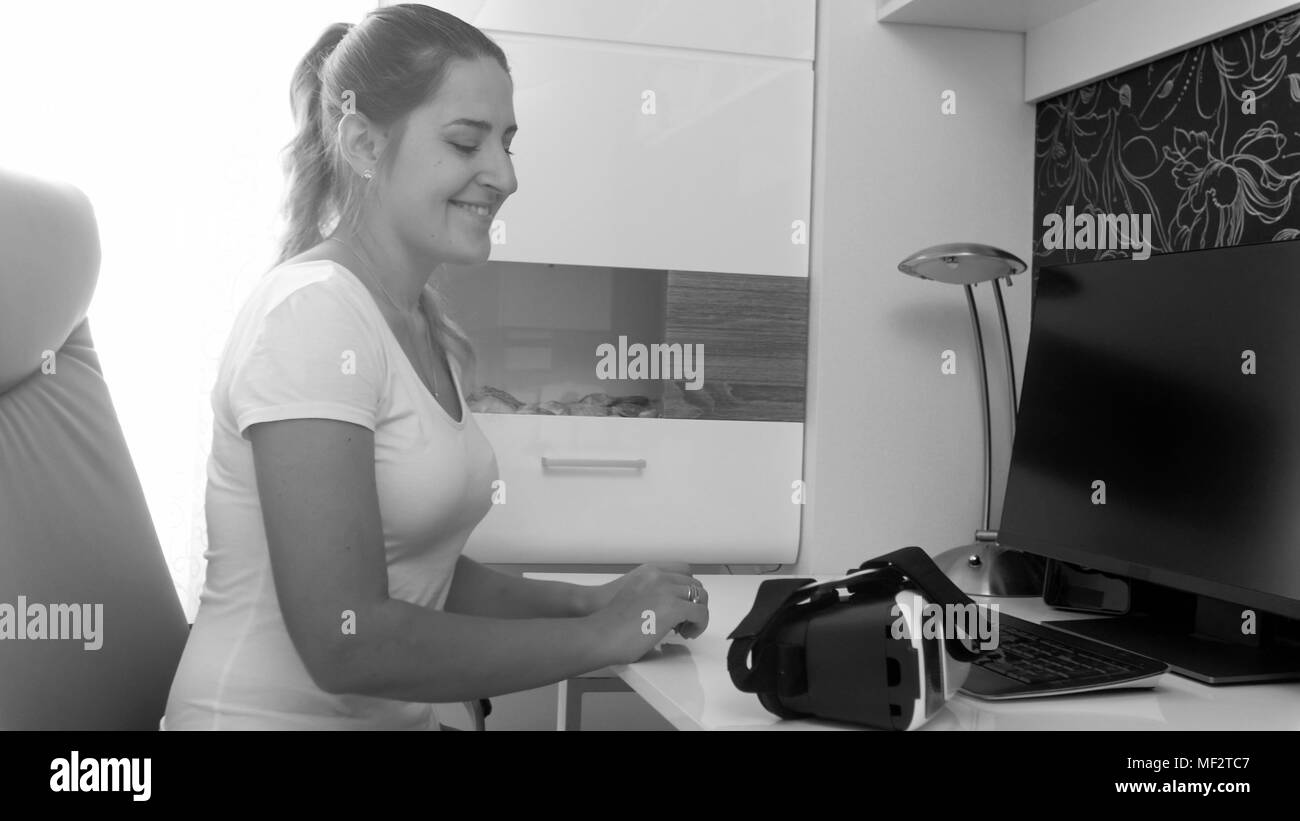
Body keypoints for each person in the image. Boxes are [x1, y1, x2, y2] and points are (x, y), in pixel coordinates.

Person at [164, 4, 709, 730]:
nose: (505, 175)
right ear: (361, 142)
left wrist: (592, 598)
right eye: (465, 142)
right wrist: (599, 637)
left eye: (509, 143)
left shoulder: (426, 323)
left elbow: (423, 573)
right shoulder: (313, 317)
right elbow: (345, 638)